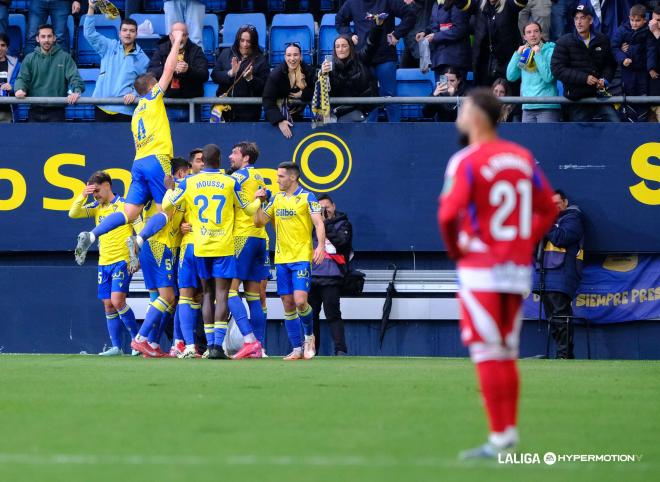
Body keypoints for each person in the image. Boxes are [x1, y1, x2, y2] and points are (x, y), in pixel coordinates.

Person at [438, 88, 556, 459]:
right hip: (516, 269)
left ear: (476, 115)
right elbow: (548, 208)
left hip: (481, 268)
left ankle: (499, 438)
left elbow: (446, 214)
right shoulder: (522, 157)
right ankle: (506, 436)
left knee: (488, 353)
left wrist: (457, 251)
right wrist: (526, 241)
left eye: (464, 108)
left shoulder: (465, 160)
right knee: (507, 351)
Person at [74, 28, 184, 267]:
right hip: (157, 159)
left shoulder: (136, 114)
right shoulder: (153, 98)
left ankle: (92, 235)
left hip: (139, 162)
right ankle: (140, 239)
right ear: (151, 86)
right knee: (166, 211)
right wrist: (176, 43)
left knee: (128, 213)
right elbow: (168, 70)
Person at [163, 144, 262, 360]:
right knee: (222, 294)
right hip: (224, 246)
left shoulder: (189, 181)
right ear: (218, 161)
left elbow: (166, 205)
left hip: (200, 246)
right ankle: (217, 346)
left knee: (206, 293)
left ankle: (208, 346)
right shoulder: (230, 181)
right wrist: (259, 198)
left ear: (203, 161)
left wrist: (170, 188)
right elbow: (248, 210)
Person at [252, 162, 326, 360]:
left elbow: (318, 222)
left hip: (301, 257)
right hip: (282, 258)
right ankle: (296, 348)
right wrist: (258, 202)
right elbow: (259, 222)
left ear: (293, 177)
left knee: (301, 301)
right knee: (287, 303)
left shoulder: (307, 197)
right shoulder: (276, 199)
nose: (277, 180)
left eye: (281, 176)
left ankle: (309, 336)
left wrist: (319, 246)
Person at [68, 171, 139, 356]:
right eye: (93, 193)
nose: (96, 195)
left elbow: (139, 231)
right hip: (104, 262)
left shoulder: (125, 206)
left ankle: (138, 342)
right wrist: (83, 195)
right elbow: (73, 213)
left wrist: (135, 256)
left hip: (122, 260)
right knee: (108, 304)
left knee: (117, 301)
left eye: (97, 191)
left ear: (107, 186)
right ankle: (116, 347)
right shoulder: (96, 206)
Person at [129, 158, 187, 358]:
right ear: (180, 173)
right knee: (168, 297)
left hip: (150, 247)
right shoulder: (174, 190)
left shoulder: (153, 193)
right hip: (160, 246)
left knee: (161, 299)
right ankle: (141, 339)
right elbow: (160, 218)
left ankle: (152, 344)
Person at [224, 141, 271, 359]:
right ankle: (259, 347)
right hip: (260, 238)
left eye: (234, 153)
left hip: (242, 238)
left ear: (246, 158)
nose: (230, 156)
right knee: (254, 296)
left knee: (230, 292)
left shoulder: (236, 178)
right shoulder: (260, 178)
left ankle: (249, 339)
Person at [336, 0, 417, 122]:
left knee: (390, 97)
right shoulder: (352, 2)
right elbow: (339, 20)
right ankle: (369, 135)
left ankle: (396, 133)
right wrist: (349, 35)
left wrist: (397, 34)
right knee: (367, 99)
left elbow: (410, 15)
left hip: (386, 57)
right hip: (363, 59)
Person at [533, 189, 584, 359]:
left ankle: (565, 355)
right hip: (545, 275)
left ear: (565, 202)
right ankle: (562, 355)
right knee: (552, 318)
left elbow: (561, 238)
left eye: (556, 204)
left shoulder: (573, 218)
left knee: (561, 317)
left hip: (562, 275)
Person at [550, 4, 619, 122]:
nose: (579, 22)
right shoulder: (564, 41)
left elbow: (609, 64)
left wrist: (605, 79)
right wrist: (584, 78)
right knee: (580, 136)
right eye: (576, 18)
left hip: (599, 95)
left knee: (616, 124)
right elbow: (557, 69)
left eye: (582, 17)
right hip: (577, 98)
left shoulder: (602, 39)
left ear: (591, 20)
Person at [84, 3, 149, 122]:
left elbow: (146, 85)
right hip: (101, 106)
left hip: (125, 110)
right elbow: (89, 34)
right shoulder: (109, 46)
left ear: (136, 34)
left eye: (131, 31)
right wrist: (91, 8)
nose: (128, 33)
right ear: (119, 33)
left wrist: (134, 94)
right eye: (124, 30)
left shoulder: (143, 59)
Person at [309, 194, 352, 356]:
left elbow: (342, 243)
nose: (323, 211)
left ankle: (340, 349)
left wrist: (324, 224)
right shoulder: (310, 225)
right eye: (319, 209)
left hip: (332, 276)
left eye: (326, 208)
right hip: (312, 275)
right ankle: (313, 349)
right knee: (311, 315)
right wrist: (317, 222)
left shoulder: (343, 224)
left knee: (333, 313)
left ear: (333, 207)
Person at [452, 0, 529, 88]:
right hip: (484, 62)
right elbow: (462, 3)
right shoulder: (479, 4)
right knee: (484, 96)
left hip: (506, 61)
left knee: (507, 93)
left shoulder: (509, 4)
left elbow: (521, 2)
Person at [14, 24, 84, 122]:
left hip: (57, 111)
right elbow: (22, 78)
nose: (46, 40)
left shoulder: (65, 57)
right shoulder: (29, 58)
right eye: (43, 36)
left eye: (49, 36)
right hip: (34, 110)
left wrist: (76, 91)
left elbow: (74, 77)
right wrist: (19, 89)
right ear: (37, 39)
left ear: (54, 38)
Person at [319, 21, 383, 122]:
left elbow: (371, 44)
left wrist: (377, 27)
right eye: (337, 47)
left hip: (359, 108)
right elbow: (321, 88)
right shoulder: (330, 65)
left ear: (350, 47)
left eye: (344, 46)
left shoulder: (361, 58)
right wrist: (322, 73)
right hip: (338, 110)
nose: (341, 49)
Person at [148, 22, 208, 122]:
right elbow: (151, 73)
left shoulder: (196, 50)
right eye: (176, 35)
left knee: (194, 137)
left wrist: (188, 70)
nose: (179, 38)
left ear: (187, 36)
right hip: (167, 106)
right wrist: (169, 69)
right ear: (170, 35)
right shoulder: (161, 49)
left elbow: (204, 75)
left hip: (191, 107)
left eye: (183, 35)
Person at [211, 25, 269, 122]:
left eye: (248, 41)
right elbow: (214, 76)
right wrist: (230, 73)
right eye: (242, 40)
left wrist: (251, 79)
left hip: (248, 115)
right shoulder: (226, 53)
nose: (245, 44)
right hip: (224, 112)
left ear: (254, 42)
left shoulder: (261, 60)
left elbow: (265, 87)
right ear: (238, 40)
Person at [506, 21, 561, 122]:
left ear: (540, 34)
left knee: (546, 138)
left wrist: (538, 54)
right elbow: (511, 76)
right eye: (529, 32)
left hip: (547, 106)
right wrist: (517, 54)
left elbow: (548, 77)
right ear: (524, 37)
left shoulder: (550, 50)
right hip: (527, 106)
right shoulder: (524, 53)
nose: (533, 35)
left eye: (536, 31)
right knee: (528, 138)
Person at [262, 43, 315, 139]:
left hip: (298, 115)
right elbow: (267, 100)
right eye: (289, 55)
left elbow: (316, 90)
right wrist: (279, 121)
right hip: (279, 116)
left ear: (301, 56)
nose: (292, 59)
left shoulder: (309, 71)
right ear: (285, 57)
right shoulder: (276, 74)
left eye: (295, 55)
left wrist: (304, 94)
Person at [415, 0, 471, 81]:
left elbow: (460, 29)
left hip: (455, 59)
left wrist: (435, 36)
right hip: (439, 59)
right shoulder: (436, 4)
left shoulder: (457, 3)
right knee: (442, 90)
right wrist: (424, 32)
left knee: (454, 91)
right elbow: (433, 25)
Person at [612, 4, 650, 98]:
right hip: (627, 69)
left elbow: (651, 48)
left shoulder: (649, 31)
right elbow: (614, 47)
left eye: (637, 21)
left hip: (643, 69)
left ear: (644, 20)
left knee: (643, 92)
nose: (634, 23)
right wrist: (622, 58)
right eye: (632, 20)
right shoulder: (622, 30)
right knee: (628, 91)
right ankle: (629, 112)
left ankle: (643, 112)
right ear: (629, 17)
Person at [0, 32, 19, 123]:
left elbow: (23, 83)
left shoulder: (16, 65)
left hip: (7, 112)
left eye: (2, 45)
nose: (0, 48)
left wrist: (12, 87)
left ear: (7, 47)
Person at [649, 6, 660, 122]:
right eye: (653, 20)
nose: (654, 24)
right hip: (645, 94)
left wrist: (657, 34)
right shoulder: (647, 32)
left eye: (659, 21)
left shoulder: (655, 32)